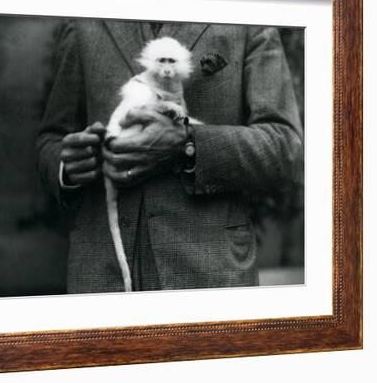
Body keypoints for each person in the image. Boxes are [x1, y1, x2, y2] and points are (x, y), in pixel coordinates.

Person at [36, 19, 303, 294]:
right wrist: (68, 167)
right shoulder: (85, 19)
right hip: (101, 275)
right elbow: (51, 139)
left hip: (207, 277)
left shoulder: (245, 17)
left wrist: (187, 145)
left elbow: (285, 147)